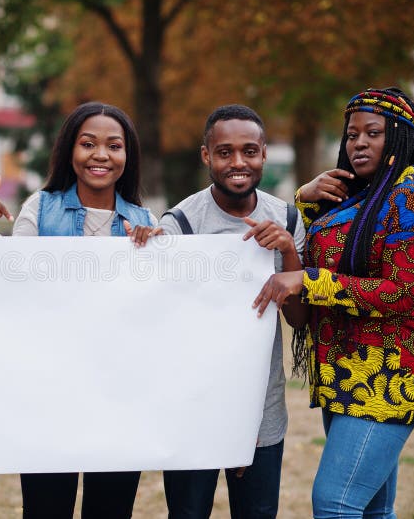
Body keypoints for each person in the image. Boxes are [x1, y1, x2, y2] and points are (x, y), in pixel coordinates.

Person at [253, 87, 414, 518]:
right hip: (344, 374)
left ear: (398, 138)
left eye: (373, 133)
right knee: (374, 511)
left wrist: (309, 281)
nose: (358, 143)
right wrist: (304, 200)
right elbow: (315, 253)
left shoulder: (413, 201)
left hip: (390, 376)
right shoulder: (353, 198)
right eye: (351, 135)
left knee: (335, 504)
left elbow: (404, 292)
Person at [0, 101, 157, 519]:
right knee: (46, 508)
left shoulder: (146, 221)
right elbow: (14, 287)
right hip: (49, 394)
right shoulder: (40, 208)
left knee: (111, 508)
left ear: (128, 156)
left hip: (118, 398)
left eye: (114, 146)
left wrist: (157, 254)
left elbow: (155, 315)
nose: (101, 155)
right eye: (88, 144)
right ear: (71, 151)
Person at [153, 104, 306, 519]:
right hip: (194, 407)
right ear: (206, 156)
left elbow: (298, 320)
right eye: (224, 152)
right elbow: (159, 318)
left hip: (261, 407)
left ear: (264, 154)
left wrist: (289, 252)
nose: (238, 162)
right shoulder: (181, 224)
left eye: (249, 151)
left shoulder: (287, 219)